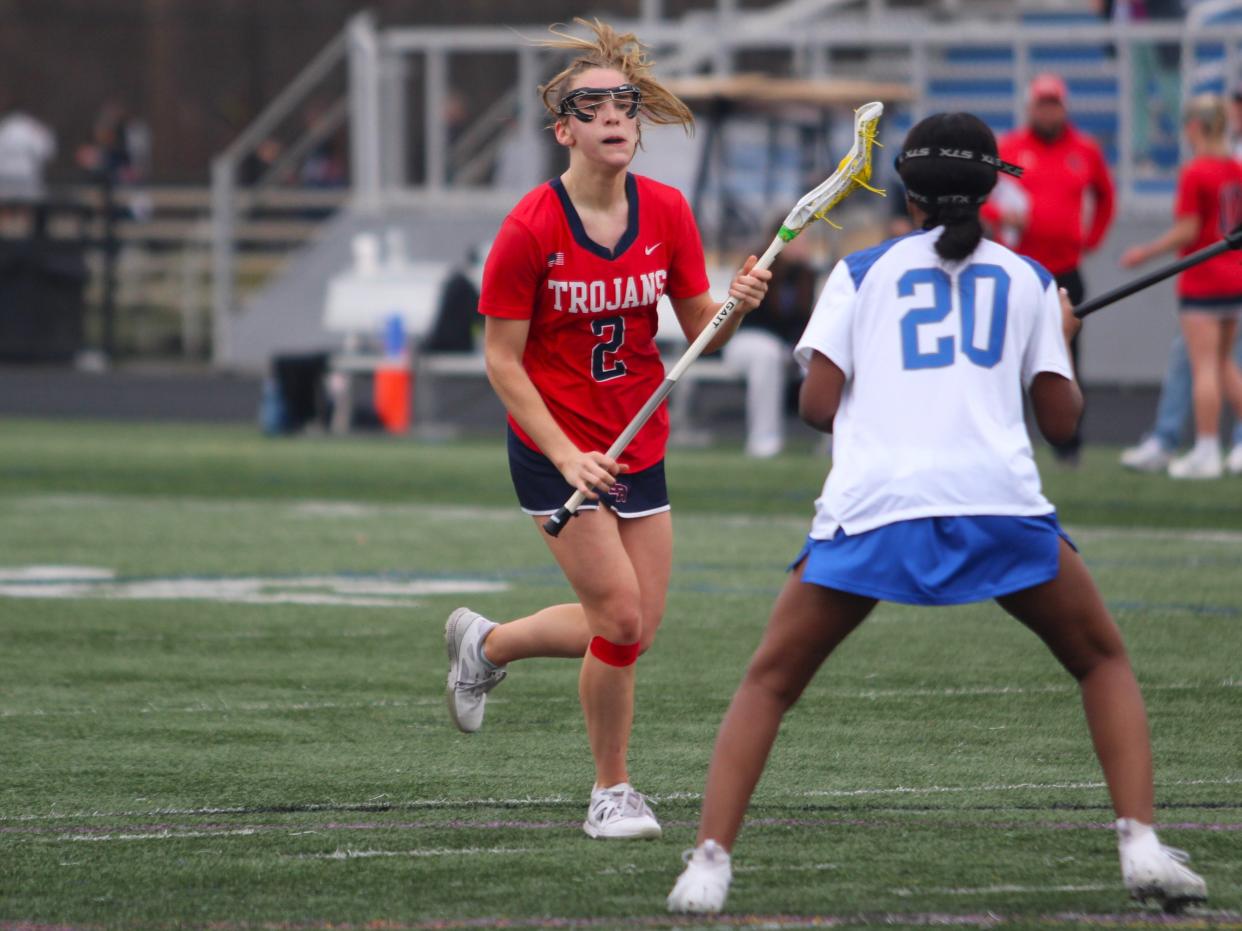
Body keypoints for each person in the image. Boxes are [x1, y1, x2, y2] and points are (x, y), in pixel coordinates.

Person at [667, 113, 1207, 915]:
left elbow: (818, 408)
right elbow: (1061, 424)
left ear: (907, 193)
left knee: (770, 682)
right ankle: (1141, 844)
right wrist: (1057, 334)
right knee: (1102, 661)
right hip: (1000, 506)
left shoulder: (857, 273)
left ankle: (708, 866)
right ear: (994, 190)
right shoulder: (1026, 279)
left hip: (875, 507)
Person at [443, 18, 770, 840]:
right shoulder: (530, 228)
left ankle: (487, 645)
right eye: (593, 107)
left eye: (625, 103)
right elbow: (503, 364)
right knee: (619, 619)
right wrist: (565, 453)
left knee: (634, 626)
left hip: (638, 438)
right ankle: (611, 790)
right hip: (557, 447)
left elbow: (700, 329)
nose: (616, 117)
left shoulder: (665, 211)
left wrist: (736, 303)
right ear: (564, 129)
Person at [982, 73, 1115, 465]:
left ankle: (1068, 442)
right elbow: (985, 194)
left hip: (1065, 271)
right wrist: (1000, 214)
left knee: (1066, 353)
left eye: (1054, 103)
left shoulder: (1084, 151)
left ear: (1064, 107)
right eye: (1042, 103)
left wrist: (1092, 239)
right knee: (1007, 354)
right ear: (1030, 107)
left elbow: (1105, 196)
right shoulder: (1013, 151)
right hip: (1019, 269)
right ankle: (1008, 438)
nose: (1048, 110)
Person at [1121, 94, 1242, 479]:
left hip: (1204, 279)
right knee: (1224, 364)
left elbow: (1188, 230)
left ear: (1194, 126)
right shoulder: (1235, 168)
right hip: (1235, 275)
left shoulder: (1197, 171)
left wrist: (1146, 252)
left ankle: (1207, 448)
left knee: (1204, 365)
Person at [720, 226, 817, 458]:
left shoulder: (806, 275)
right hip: (746, 339)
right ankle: (764, 441)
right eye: (797, 240)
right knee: (768, 354)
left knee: (825, 357)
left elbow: (803, 321)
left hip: (786, 345)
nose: (803, 245)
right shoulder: (759, 266)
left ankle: (835, 443)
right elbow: (749, 315)